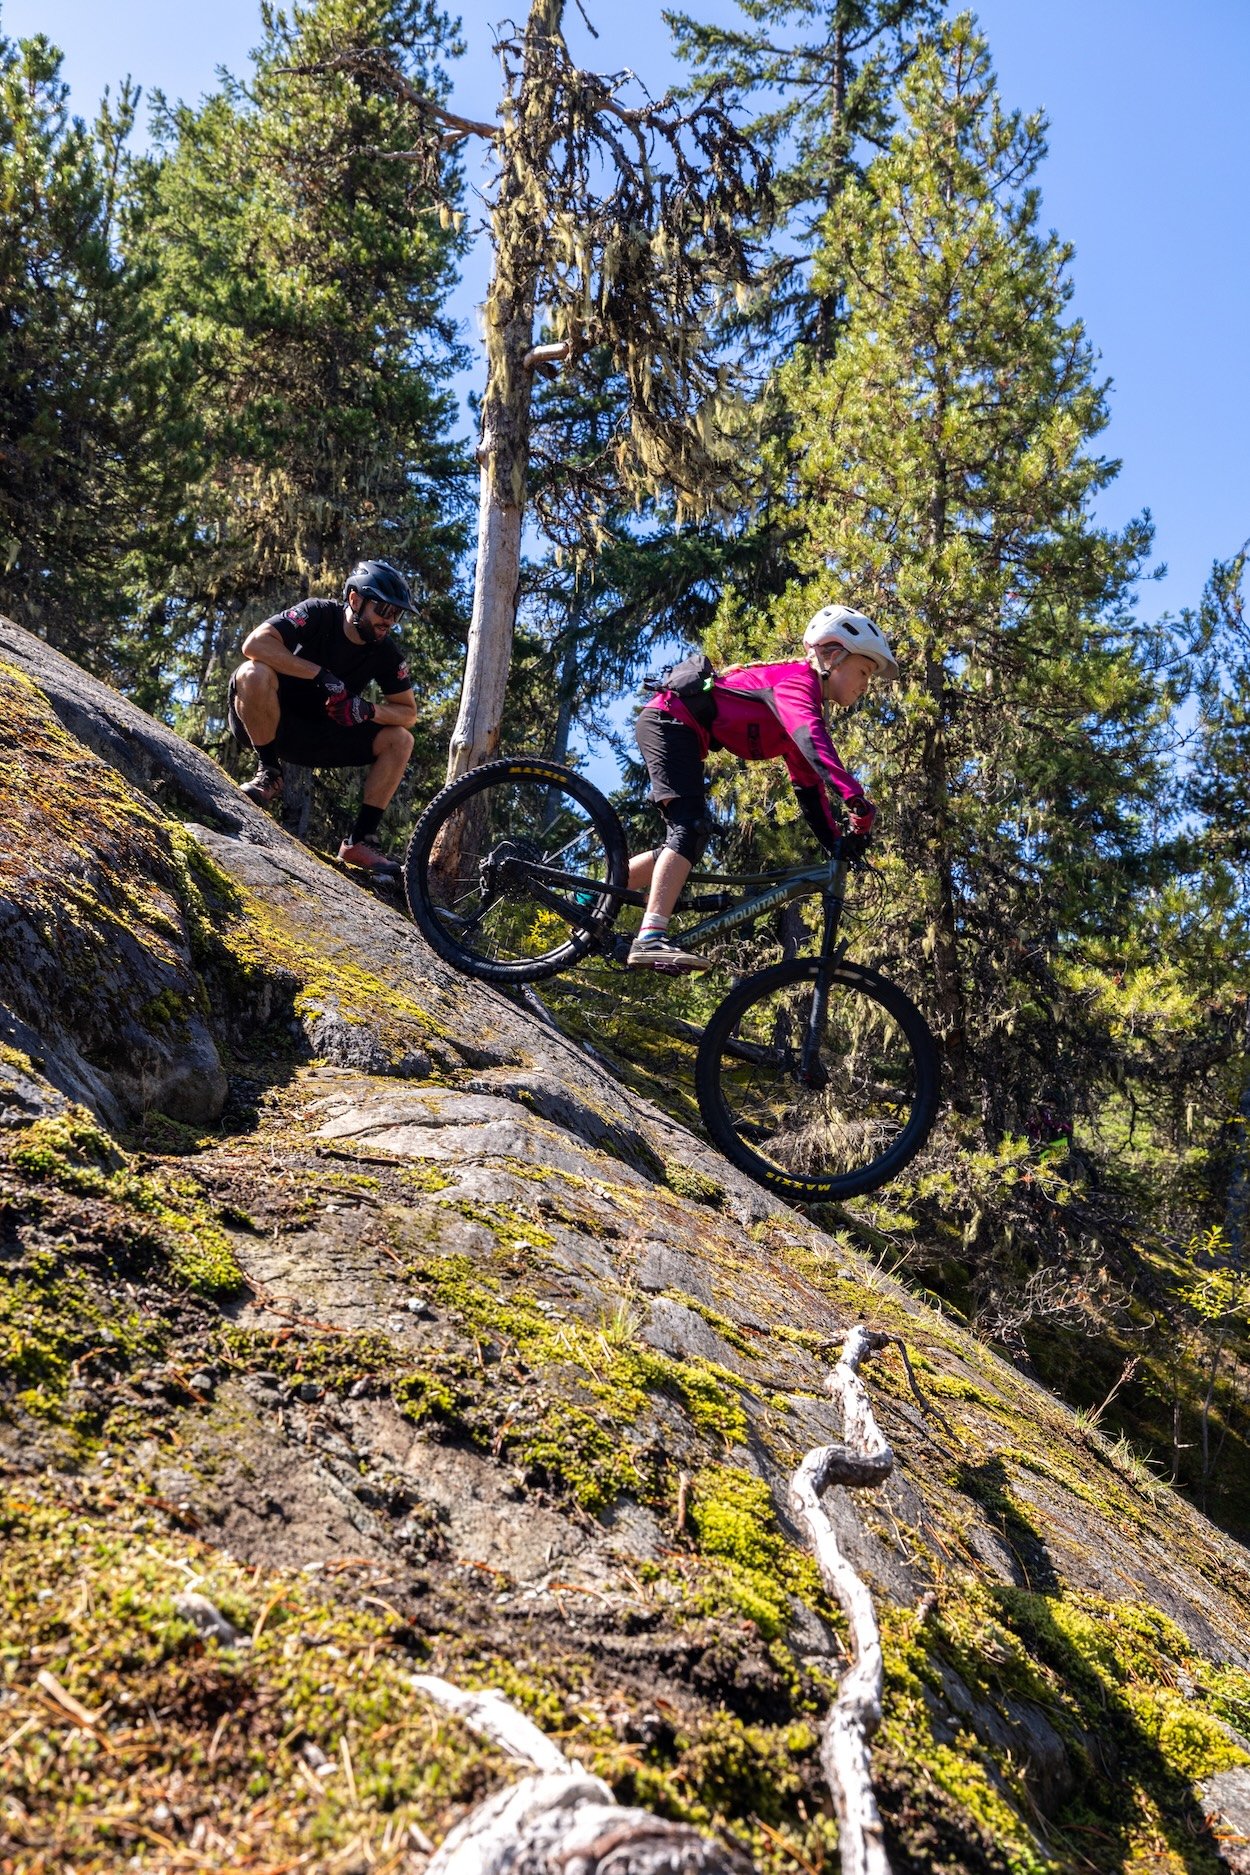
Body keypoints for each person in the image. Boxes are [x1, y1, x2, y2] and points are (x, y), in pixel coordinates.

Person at [627, 603, 898, 970]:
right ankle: (650, 938)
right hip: (669, 721)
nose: (866, 685)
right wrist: (856, 799)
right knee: (689, 827)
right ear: (832, 656)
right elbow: (813, 742)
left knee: (688, 837)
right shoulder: (797, 682)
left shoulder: (805, 704)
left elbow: (809, 787)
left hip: (679, 728)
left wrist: (836, 841)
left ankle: (592, 898)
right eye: (864, 670)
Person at [227, 559, 419, 875]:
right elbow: (254, 644)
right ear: (355, 600)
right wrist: (320, 675)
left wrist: (367, 710)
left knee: (400, 738)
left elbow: (408, 713)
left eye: (396, 615)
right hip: (268, 721)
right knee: (252, 672)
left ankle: (359, 841)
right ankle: (269, 773)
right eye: (383, 610)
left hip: (318, 734)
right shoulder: (318, 613)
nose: (389, 621)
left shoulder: (385, 651)